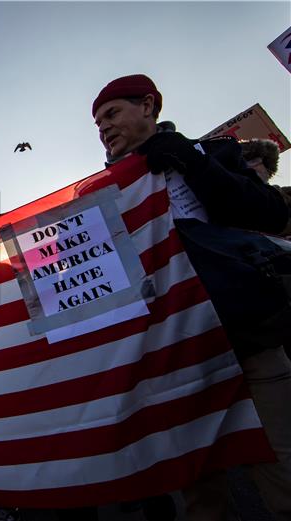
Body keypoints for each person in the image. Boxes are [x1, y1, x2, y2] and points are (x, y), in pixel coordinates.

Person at [92, 74, 291, 520]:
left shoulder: (211, 154)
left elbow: (272, 215)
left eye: (111, 114)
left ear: (148, 106)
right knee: (202, 497)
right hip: (177, 360)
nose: (104, 128)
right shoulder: (103, 196)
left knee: (283, 476)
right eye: (98, 124)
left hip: (249, 342)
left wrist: (191, 162)